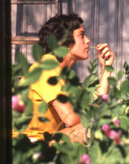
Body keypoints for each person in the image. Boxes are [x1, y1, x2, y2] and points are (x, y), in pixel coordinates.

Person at [18, 13, 115, 144]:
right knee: (90, 128)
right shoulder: (46, 68)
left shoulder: (64, 76)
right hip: (28, 145)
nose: (88, 40)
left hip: (44, 142)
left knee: (96, 125)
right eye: (81, 35)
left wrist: (106, 70)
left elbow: (94, 108)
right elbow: (70, 118)